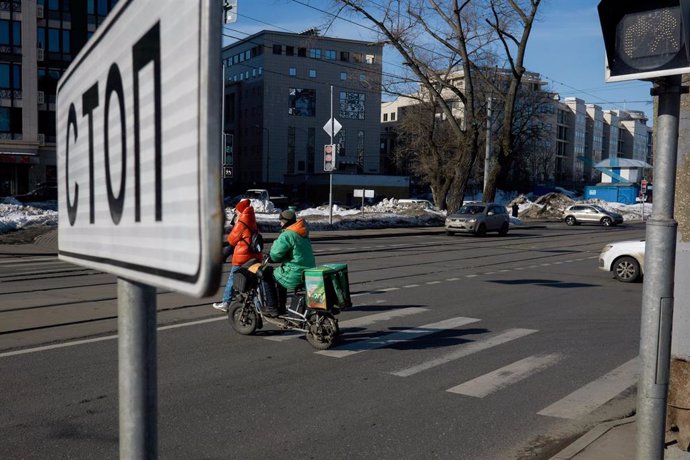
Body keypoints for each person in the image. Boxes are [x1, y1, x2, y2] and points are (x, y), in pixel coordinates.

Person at [213, 199, 262, 312]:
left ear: (240, 211)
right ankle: (258, 307)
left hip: (242, 258)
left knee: (232, 279)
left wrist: (235, 224)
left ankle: (226, 302)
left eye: (237, 212)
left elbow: (231, 240)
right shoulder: (252, 221)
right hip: (254, 257)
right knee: (253, 283)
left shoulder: (242, 223)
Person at [268, 209, 316, 312]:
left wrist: (270, 258)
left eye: (280, 221)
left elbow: (276, 254)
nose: (279, 223)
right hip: (309, 272)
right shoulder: (303, 233)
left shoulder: (287, 235)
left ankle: (277, 307)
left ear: (285, 222)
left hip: (296, 273)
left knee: (272, 277)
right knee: (281, 274)